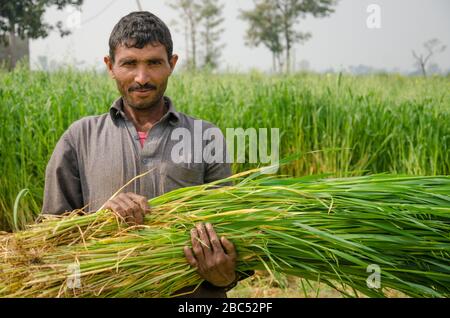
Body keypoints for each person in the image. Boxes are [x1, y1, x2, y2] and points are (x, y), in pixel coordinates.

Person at [42, 11, 247, 297]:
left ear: (171, 64)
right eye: (129, 63)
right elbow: (51, 240)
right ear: (110, 65)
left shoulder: (205, 137)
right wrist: (102, 220)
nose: (142, 77)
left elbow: (232, 232)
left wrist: (225, 275)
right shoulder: (80, 138)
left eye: (153, 63)